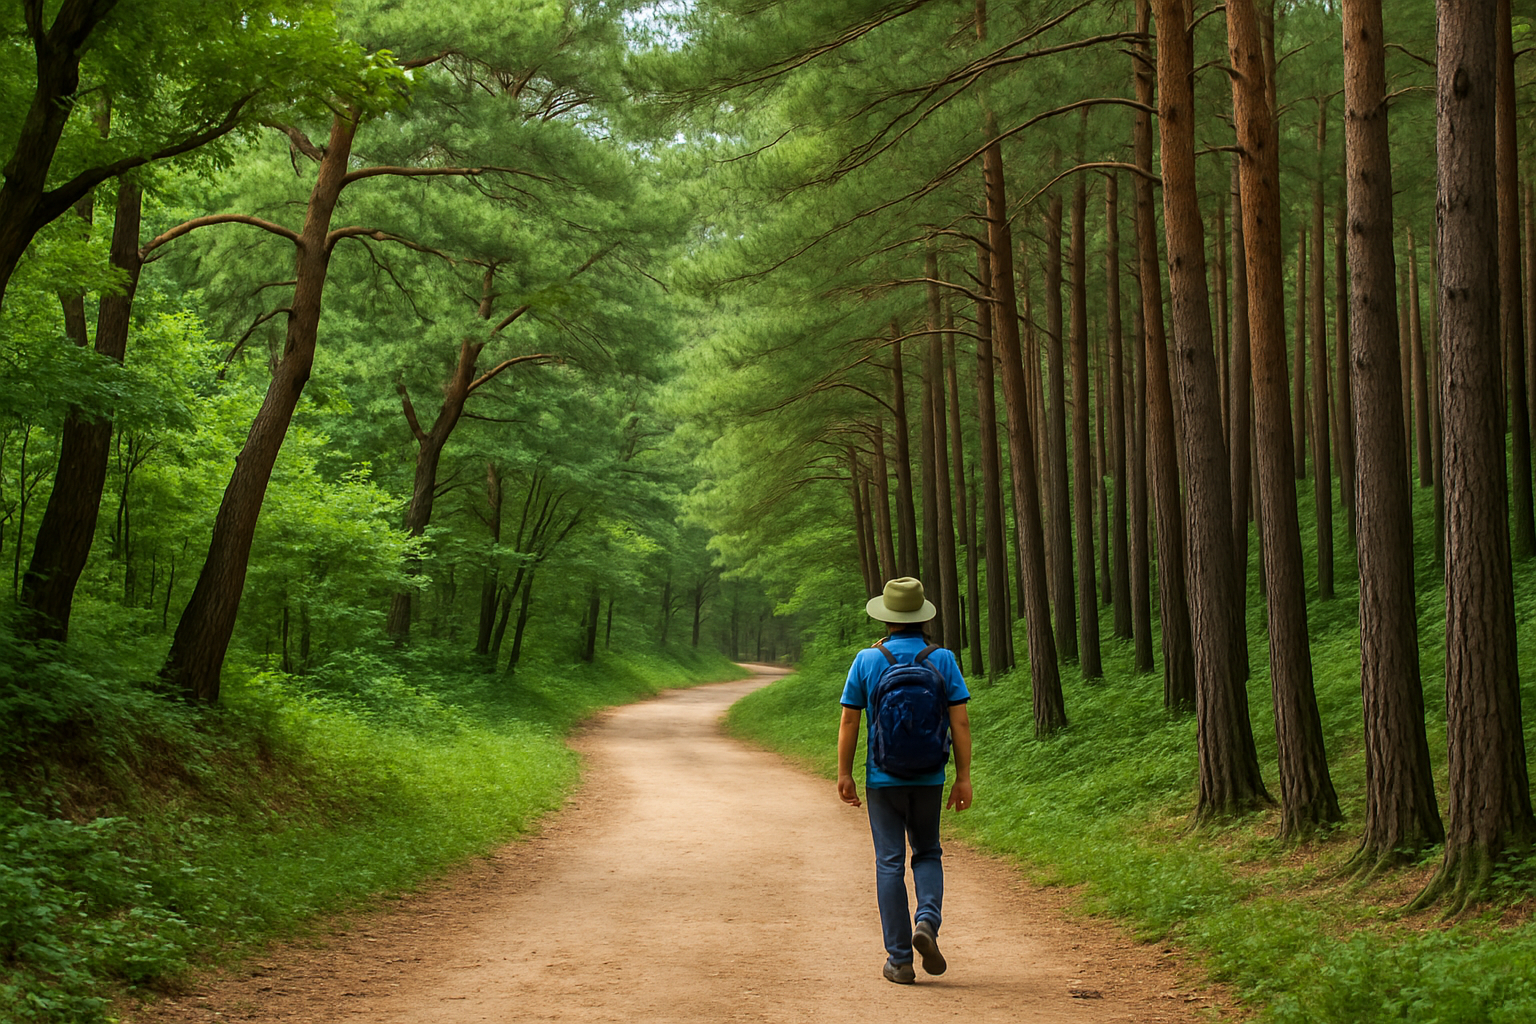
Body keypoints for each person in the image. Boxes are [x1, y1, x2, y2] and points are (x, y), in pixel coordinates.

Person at [837, 576, 973, 985]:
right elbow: (960, 721)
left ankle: (899, 960)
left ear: (887, 618)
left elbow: (849, 719)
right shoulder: (943, 659)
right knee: (928, 851)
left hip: (883, 778)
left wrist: (845, 774)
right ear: (921, 616)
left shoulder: (867, 659)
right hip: (929, 776)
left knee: (889, 863)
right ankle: (927, 922)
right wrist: (963, 778)